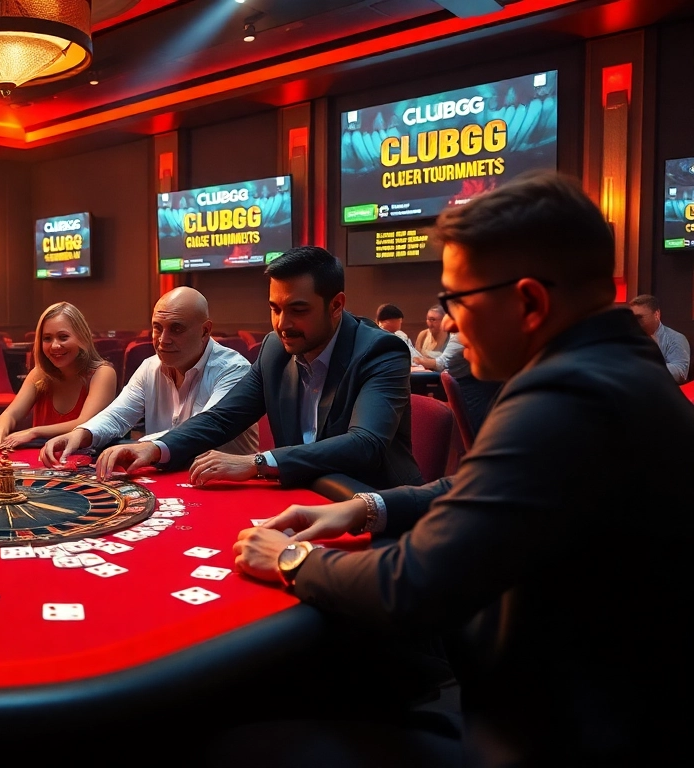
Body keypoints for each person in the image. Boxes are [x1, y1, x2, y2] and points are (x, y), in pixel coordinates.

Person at [230, 173, 693, 766]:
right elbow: (492, 486)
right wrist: (369, 506)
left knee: (247, 745)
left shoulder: (564, 399)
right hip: (580, 702)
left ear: (530, 302)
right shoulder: (619, 366)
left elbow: (412, 585)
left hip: (553, 737)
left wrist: (292, 558)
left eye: (456, 300)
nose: (446, 324)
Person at [95, 246, 421, 491]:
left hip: (372, 503)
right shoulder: (275, 350)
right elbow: (222, 418)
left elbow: (365, 444)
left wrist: (258, 463)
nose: (283, 324)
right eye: (275, 309)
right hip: (300, 493)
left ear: (336, 305)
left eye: (298, 310)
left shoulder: (380, 350)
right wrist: (156, 448)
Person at [41, 287, 257, 465]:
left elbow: (202, 432)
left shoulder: (233, 370)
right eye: (157, 328)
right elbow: (117, 416)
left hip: (229, 486)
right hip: (170, 475)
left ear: (205, 331)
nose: (163, 340)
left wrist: (146, 447)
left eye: (176, 329)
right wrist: (81, 434)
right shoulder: (150, 367)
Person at [0, 302, 117, 451]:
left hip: (86, 459)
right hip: (42, 460)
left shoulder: (103, 373)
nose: (55, 345)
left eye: (63, 337)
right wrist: (0, 427)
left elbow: (85, 424)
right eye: (47, 338)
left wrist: (34, 432)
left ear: (82, 337)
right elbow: (10, 414)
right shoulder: (39, 374)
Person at [412, 322, 502, 440]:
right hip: (474, 391)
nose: (446, 323)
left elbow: (441, 364)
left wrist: (418, 360)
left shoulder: (461, 336)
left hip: (473, 391)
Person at [629, 294, 689, 383]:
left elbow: (680, 372)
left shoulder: (675, 339)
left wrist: (646, 367)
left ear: (656, 314)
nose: (635, 322)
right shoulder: (629, 338)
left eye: (639, 318)